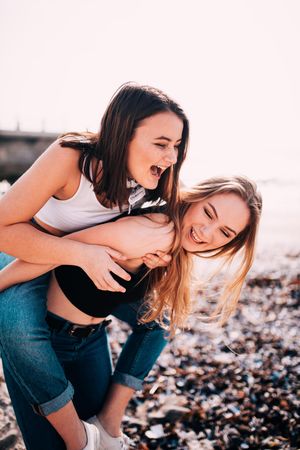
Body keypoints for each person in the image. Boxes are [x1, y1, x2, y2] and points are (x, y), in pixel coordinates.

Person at [0, 176, 262, 450]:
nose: (207, 233)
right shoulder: (148, 233)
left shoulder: (173, 243)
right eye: (209, 213)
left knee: (162, 318)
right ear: (195, 198)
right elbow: (52, 253)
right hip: (45, 344)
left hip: (91, 341)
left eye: (224, 233)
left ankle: (109, 423)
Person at [0, 82, 189, 450]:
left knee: (161, 319)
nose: (171, 157)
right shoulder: (72, 159)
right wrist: (80, 255)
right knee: (16, 327)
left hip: (79, 267)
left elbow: (188, 217)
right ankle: (80, 439)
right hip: (28, 250)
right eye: (162, 143)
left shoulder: (150, 181)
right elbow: (3, 229)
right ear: (123, 132)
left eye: (177, 147)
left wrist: (151, 255)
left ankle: (110, 421)